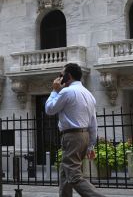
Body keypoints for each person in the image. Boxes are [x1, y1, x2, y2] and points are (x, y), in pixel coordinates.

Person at [45, 63, 105, 197]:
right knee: (64, 172)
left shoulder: (67, 91)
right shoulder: (88, 94)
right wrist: (90, 145)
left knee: (73, 175)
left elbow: (49, 109)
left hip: (72, 136)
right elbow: (93, 122)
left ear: (69, 76)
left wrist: (55, 90)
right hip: (84, 136)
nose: (59, 78)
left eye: (61, 75)